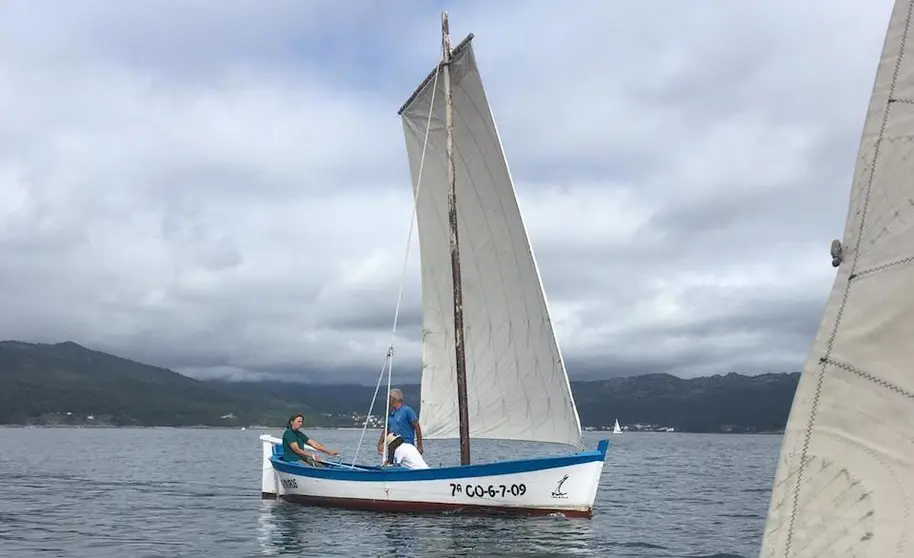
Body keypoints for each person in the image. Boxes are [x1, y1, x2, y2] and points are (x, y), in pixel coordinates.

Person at [377, 388, 423, 458]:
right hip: (393, 446)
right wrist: (380, 443)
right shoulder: (391, 413)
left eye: (389, 398)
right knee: (392, 464)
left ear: (394, 399)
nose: (388, 400)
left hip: (406, 445)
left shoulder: (407, 411)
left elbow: (417, 427)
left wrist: (419, 446)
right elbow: (387, 429)